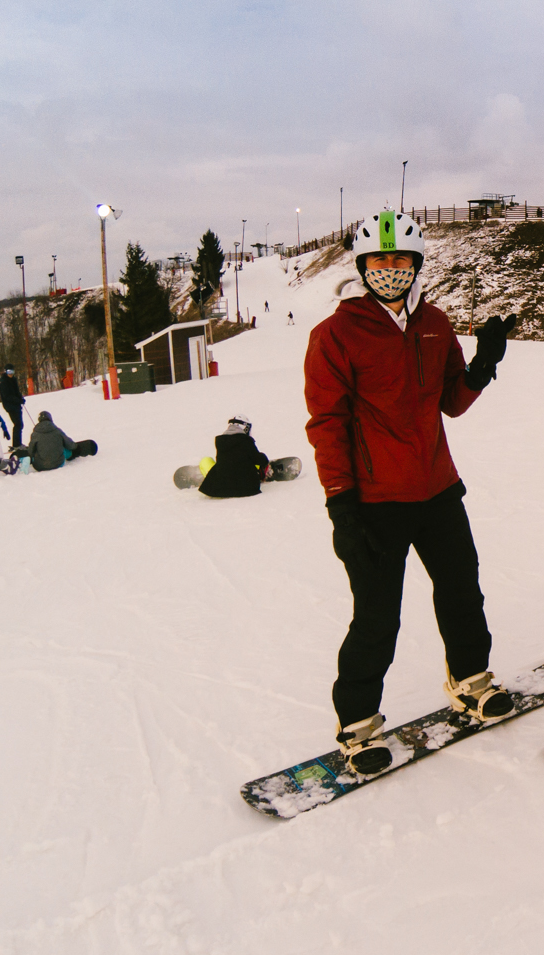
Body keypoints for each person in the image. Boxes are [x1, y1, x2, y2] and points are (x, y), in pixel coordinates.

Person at [304, 208, 519, 774]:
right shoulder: (334, 335)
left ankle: (471, 679)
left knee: (461, 591)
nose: (391, 269)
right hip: (375, 502)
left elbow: (451, 401)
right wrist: (340, 504)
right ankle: (357, 724)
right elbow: (326, 422)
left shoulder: (436, 323)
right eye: (380, 259)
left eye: (402, 259)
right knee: (377, 616)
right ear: (362, 265)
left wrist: (483, 366)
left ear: (417, 264)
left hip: (438, 489)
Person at [198, 415, 270, 497]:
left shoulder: (220, 441)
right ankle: (263, 473)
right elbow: (258, 459)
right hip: (247, 488)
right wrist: (264, 458)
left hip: (220, 489)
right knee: (253, 460)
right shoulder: (246, 441)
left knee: (206, 460)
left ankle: (208, 476)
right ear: (245, 428)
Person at [28, 409, 97, 471]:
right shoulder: (57, 431)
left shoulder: (35, 434)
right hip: (58, 463)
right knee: (63, 448)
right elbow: (70, 445)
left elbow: (30, 451)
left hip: (40, 466)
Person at [0, 365, 27, 449]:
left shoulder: (13, 380)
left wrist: (21, 398)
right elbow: (7, 396)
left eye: (12, 372)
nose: (11, 374)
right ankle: (16, 445)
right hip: (9, 405)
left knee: (20, 424)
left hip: (16, 404)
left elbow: (16, 391)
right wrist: (17, 400)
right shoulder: (3, 382)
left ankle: (18, 443)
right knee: (18, 424)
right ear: (5, 372)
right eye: (9, 372)